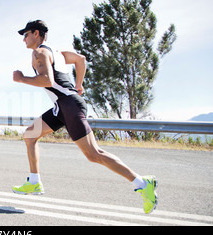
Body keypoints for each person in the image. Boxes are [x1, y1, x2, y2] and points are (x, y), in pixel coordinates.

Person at [11, 20, 158, 214]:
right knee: (30, 135)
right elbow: (80, 59)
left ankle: (142, 182)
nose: (24, 39)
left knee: (94, 154)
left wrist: (22, 78)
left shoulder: (39, 53)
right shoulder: (58, 53)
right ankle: (34, 182)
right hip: (62, 106)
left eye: (26, 34)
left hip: (69, 106)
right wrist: (79, 85)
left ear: (36, 33)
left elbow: (47, 79)